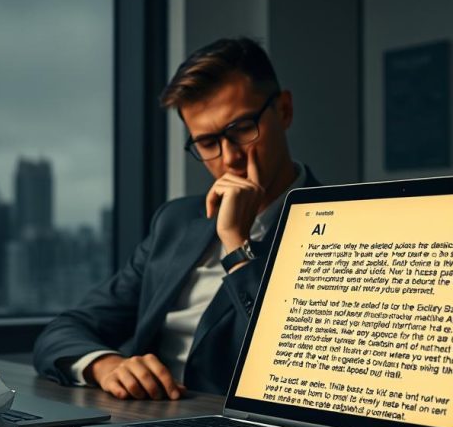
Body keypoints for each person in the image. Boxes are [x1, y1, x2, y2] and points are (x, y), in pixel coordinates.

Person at [34, 37, 320, 399]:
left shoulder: (342, 227)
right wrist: (106, 366)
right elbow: (66, 328)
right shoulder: (176, 222)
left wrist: (235, 244)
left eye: (243, 129)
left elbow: (297, 367)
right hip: (140, 421)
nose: (228, 157)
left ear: (284, 110)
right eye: (207, 143)